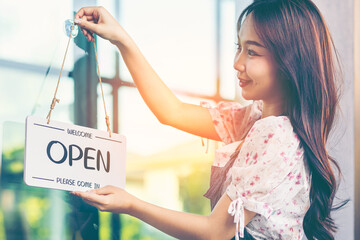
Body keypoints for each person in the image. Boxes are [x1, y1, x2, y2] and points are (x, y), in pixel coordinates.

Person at [71, 0, 348, 239]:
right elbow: (172, 111)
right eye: (238, 47)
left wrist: (131, 204)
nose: (237, 63)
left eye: (252, 52)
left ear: (291, 62)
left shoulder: (276, 135)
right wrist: (121, 38)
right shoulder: (254, 120)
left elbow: (214, 232)